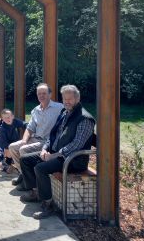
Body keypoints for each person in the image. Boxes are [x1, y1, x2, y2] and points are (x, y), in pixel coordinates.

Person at [19, 85, 95, 219]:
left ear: (77, 98)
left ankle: (48, 205)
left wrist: (54, 155)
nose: (66, 102)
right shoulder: (65, 113)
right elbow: (53, 135)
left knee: (40, 168)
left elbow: (77, 145)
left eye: (70, 99)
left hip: (73, 160)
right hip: (57, 155)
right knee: (25, 159)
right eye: (64, 99)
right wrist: (44, 149)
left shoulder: (85, 119)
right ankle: (36, 192)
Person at [9, 83, 63, 189]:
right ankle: (24, 175)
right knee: (13, 147)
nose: (41, 96)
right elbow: (30, 128)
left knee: (23, 150)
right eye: (39, 94)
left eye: (44, 93)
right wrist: (24, 140)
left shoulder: (59, 108)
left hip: (47, 142)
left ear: (50, 94)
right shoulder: (36, 110)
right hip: (34, 138)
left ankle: (29, 182)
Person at [0, 108, 27, 173]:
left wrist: (28, 127)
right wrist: (7, 148)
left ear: (12, 117)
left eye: (8, 117)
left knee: (22, 150)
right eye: (5, 118)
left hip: (16, 142)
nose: (7, 119)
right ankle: (8, 164)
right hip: (7, 146)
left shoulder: (15, 121)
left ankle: (15, 165)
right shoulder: (2, 129)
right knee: (8, 152)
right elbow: (3, 143)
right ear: (2, 119)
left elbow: (23, 123)